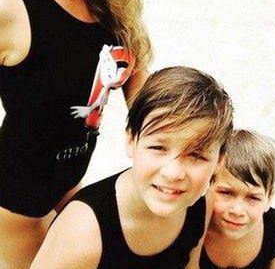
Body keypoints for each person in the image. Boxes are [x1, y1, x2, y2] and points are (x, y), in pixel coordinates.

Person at [0, 0, 152, 266]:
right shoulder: (8, 1)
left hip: (71, 206)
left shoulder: (111, 0)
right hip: (15, 221)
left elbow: (149, 107)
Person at [31, 66, 233, 268]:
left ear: (219, 161)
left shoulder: (201, 202)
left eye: (196, 155)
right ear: (130, 140)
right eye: (157, 147)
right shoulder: (82, 233)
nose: (173, 174)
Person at [201, 129, 275, 269]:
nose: (237, 211)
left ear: (269, 199)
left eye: (253, 198)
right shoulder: (192, 225)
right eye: (226, 193)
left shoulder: (272, 226)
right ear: (207, 187)